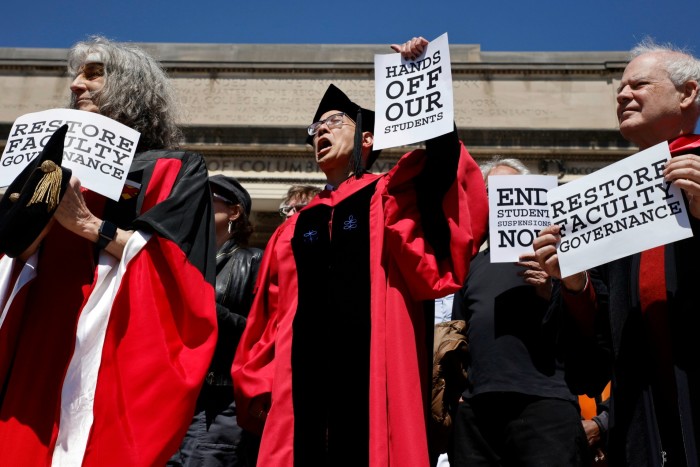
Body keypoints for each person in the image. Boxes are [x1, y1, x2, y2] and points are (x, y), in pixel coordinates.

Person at [232, 36, 488, 467]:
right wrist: (257, 380)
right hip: (300, 396)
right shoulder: (294, 228)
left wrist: (418, 75)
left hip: (375, 387)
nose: (321, 132)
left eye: (334, 121)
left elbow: (444, 175)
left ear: (368, 138)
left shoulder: (391, 198)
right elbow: (270, 315)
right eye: (315, 129)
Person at [0, 36, 218, 465]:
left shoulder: (174, 167)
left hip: (109, 337)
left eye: (93, 74)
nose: (77, 86)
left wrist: (89, 225)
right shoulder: (48, 163)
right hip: (36, 331)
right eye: (76, 76)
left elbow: (178, 267)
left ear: (132, 87)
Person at [533, 39, 700, 466]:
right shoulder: (609, 204)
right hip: (643, 421)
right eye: (619, 88)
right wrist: (573, 282)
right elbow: (593, 355)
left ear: (689, 93)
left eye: (640, 84)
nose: (624, 95)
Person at [449, 156, 590, 467]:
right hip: (477, 413)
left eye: (508, 189)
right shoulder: (470, 266)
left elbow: (587, 328)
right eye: (490, 190)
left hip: (544, 406)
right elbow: (458, 334)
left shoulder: (560, 259)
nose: (498, 197)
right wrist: (460, 396)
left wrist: (553, 289)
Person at [170, 175, 263, 466]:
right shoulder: (184, 258)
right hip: (175, 398)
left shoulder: (254, 261)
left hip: (220, 405)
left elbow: (260, 333)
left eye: (206, 200)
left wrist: (207, 307)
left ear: (234, 212)